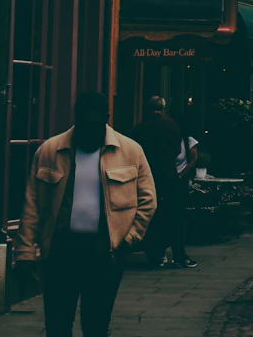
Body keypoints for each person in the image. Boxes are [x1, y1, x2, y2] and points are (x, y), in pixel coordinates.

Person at [18, 91, 157, 337]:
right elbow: (32, 203)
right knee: (58, 324)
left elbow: (148, 200)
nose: (90, 130)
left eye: (96, 123)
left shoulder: (131, 151)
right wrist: (26, 251)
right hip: (61, 251)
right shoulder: (50, 150)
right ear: (76, 118)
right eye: (85, 123)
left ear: (107, 118)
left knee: (96, 324)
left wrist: (129, 240)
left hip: (105, 253)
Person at [129, 96, 197, 269]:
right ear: (163, 108)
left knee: (151, 217)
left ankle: (154, 256)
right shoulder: (170, 124)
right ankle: (179, 255)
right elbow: (176, 148)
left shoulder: (139, 128)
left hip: (148, 177)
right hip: (169, 177)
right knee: (175, 217)